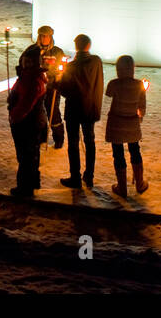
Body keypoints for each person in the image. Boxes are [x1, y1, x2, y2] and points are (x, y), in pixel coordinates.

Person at [56, 34, 104, 188]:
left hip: (74, 110)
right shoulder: (97, 62)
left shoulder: (71, 67)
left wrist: (58, 79)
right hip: (90, 108)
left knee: (73, 143)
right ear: (89, 46)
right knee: (90, 142)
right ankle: (89, 175)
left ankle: (75, 176)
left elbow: (64, 90)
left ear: (76, 46)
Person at [8, 39, 50, 197]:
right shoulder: (29, 76)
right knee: (32, 154)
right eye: (24, 60)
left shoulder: (33, 81)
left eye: (29, 61)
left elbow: (25, 105)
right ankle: (32, 182)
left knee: (26, 156)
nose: (25, 63)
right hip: (32, 122)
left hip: (28, 123)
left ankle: (25, 187)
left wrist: (14, 116)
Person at [105, 55, 148, 197]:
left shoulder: (114, 84)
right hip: (132, 124)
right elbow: (142, 108)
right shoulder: (139, 85)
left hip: (116, 124)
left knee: (118, 154)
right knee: (135, 151)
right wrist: (139, 118)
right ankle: (140, 183)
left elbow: (107, 100)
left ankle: (122, 187)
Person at [30, 25, 67, 147]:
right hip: (37, 87)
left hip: (52, 87)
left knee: (53, 112)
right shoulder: (32, 50)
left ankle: (58, 138)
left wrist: (59, 76)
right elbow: (24, 65)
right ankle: (41, 138)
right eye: (43, 36)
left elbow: (64, 67)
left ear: (51, 37)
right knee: (39, 114)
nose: (45, 38)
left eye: (47, 36)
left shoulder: (57, 52)